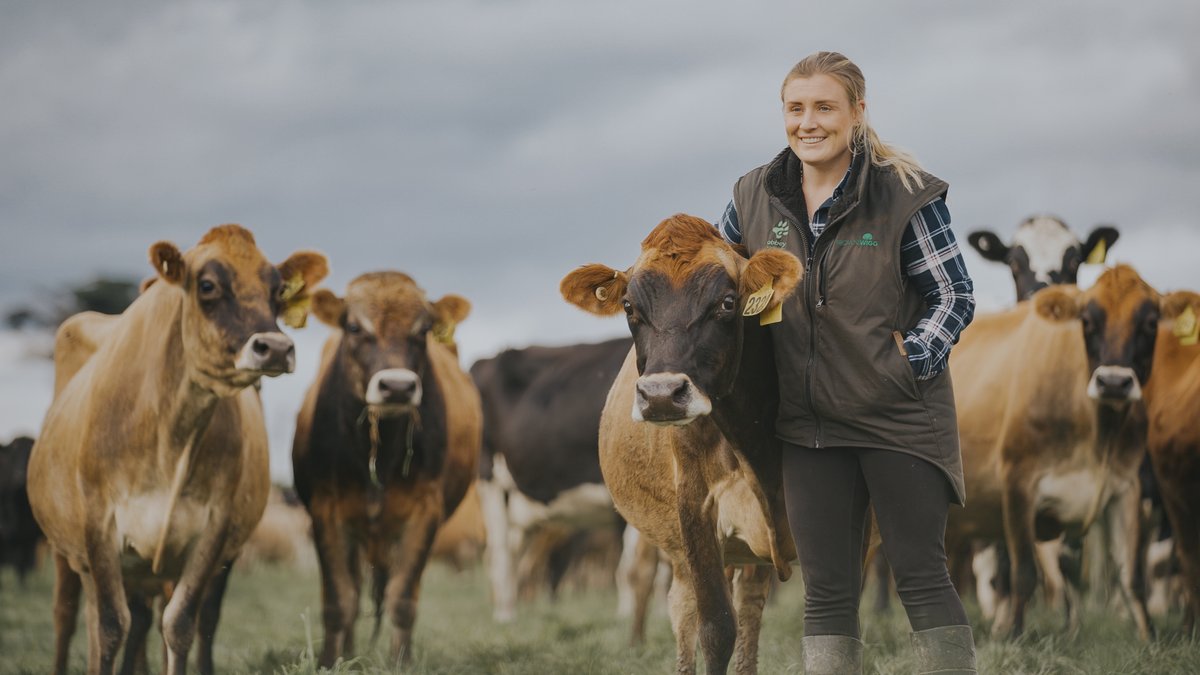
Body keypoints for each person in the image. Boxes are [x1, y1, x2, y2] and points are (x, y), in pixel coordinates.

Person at [718, 51, 977, 674]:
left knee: (919, 575)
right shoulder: (752, 197)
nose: (809, 123)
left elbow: (954, 295)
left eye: (824, 108)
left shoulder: (905, 193)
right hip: (807, 430)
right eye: (796, 108)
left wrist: (905, 363)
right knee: (827, 591)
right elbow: (718, 283)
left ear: (858, 112)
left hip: (900, 423)